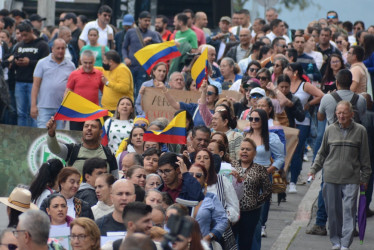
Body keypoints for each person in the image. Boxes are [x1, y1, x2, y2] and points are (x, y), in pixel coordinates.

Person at [307, 69, 367, 236]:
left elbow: (319, 117)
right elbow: (360, 118)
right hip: (353, 148)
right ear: (350, 82)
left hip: (332, 146)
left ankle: (320, 223)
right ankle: (351, 226)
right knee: (351, 192)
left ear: (337, 82)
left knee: (326, 186)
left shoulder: (328, 98)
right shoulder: (360, 99)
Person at [309, 101, 371, 250]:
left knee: (349, 210)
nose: (341, 115)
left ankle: (345, 243)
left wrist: (365, 177)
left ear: (351, 114)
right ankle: (336, 240)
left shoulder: (360, 130)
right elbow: (322, 152)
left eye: (344, 113)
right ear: (335, 113)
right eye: (339, 112)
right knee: (333, 211)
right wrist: (313, 169)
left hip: (351, 177)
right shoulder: (330, 129)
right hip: (331, 176)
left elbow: (365, 156)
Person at [283, 63, 323, 193]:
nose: (285, 70)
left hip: (302, 122)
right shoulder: (284, 84)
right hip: (285, 122)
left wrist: (308, 104)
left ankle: (293, 181)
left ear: (295, 72)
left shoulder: (304, 85)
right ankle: (284, 179)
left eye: (288, 69)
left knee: (296, 151)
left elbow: (321, 95)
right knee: (284, 151)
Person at [245, 109, 285, 238]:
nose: (253, 122)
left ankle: (262, 226)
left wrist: (268, 170)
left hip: (264, 174)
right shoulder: (244, 135)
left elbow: (280, 158)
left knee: (262, 203)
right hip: (246, 174)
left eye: (257, 119)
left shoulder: (272, 137)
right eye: (251, 119)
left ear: (263, 121)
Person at [231, 138, 272, 249]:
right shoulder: (231, 165)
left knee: (246, 242)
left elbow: (267, 191)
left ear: (254, 153)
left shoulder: (260, 169)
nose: (244, 151)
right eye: (242, 149)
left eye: (248, 149)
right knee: (231, 242)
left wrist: (256, 202)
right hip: (232, 211)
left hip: (250, 213)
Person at [46, 118, 118, 176]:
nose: (89, 128)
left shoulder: (108, 154)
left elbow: (115, 180)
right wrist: (51, 134)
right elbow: (54, 148)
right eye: (86, 126)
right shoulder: (72, 150)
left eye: (93, 126)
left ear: (100, 133)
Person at [30, 38, 75, 129]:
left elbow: (72, 88)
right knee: (42, 134)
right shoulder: (42, 63)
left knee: (59, 136)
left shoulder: (71, 65)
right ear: (52, 49)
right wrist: (33, 105)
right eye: (58, 48)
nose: (60, 51)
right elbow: (35, 85)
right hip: (44, 107)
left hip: (61, 109)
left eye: (63, 48)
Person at [13, 21, 49, 127]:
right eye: (21, 35)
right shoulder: (19, 45)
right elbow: (12, 63)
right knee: (21, 113)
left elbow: (46, 64)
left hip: (34, 83)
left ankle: (33, 136)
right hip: (19, 82)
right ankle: (22, 137)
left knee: (33, 113)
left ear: (31, 32)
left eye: (25, 35)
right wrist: (16, 62)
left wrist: (30, 62)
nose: (23, 37)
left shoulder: (42, 45)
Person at [122, 11, 162, 100]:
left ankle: (138, 111)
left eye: (149, 21)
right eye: (145, 20)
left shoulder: (153, 34)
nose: (147, 23)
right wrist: (125, 58)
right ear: (139, 20)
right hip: (131, 66)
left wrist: (152, 40)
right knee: (129, 91)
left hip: (144, 68)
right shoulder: (130, 32)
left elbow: (160, 47)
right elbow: (124, 47)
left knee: (141, 92)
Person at [194, 149, 240, 224]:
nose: (202, 160)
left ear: (211, 162)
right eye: (199, 158)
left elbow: (233, 206)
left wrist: (226, 218)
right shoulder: (189, 181)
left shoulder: (222, 180)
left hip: (220, 229)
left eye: (206, 158)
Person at [188, 164, 228, 245]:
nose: (194, 177)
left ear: (205, 179)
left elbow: (222, 220)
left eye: (198, 175)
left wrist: (209, 236)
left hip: (203, 245)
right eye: (190, 175)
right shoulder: (179, 197)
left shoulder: (211, 198)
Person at [65, 50, 104, 131]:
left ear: (94, 61)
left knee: (92, 137)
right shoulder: (74, 74)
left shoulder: (99, 74)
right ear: (81, 61)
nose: (88, 65)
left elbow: (105, 92)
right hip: (76, 113)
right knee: (75, 137)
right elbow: (68, 92)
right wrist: (65, 109)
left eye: (90, 63)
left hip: (92, 112)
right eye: (85, 63)